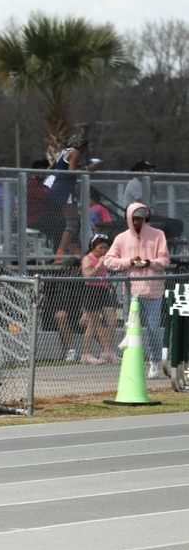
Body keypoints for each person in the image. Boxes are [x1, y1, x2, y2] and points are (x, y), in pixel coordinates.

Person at [104, 202, 169, 379]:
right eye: (133, 219)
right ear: (128, 219)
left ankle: (155, 362)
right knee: (132, 329)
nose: (137, 222)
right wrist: (129, 262)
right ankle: (133, 363)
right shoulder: (121, 238)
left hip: (153, 291)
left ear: (146, 218)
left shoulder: (158, 235)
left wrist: (149, 263)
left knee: (154, 329)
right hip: (131, 293)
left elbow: (164, 260)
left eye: (140, 219)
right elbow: (108, 261)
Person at [79, 233, 119, 364]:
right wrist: (98, 264)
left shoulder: (105, 258)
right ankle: (86, 354)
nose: (103, 251)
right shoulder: (87, 258)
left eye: (105, 248)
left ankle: (106, 352)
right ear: (93, 246)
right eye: (100, 248)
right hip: (92, 290)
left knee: (112, 321)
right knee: (93, 324)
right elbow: (87, 276)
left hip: (103, 290)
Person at [48, 132, 88, 255]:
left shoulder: (64, 152)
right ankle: (60, 253)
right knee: (72, 223)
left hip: (60, 188)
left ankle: (75, 249)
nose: (84, 149)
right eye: (83, 145)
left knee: (75, 222)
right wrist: (87, 169)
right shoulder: (75, 152)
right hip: (65, 189)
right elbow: (71, 171)